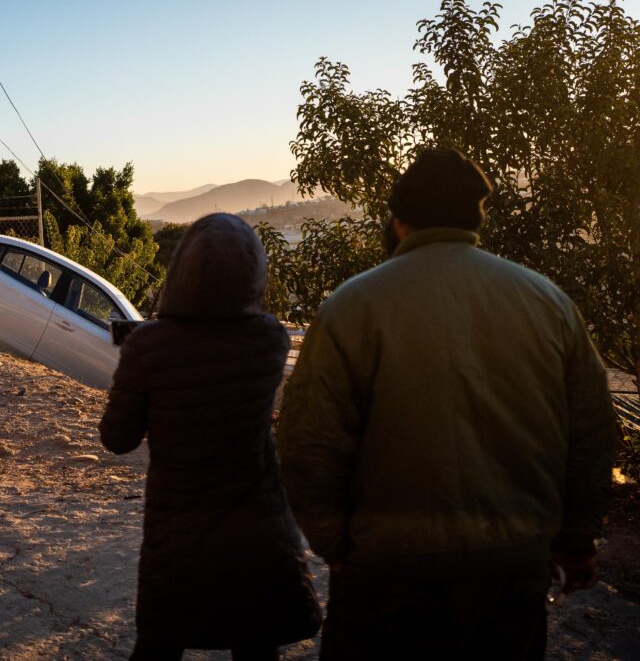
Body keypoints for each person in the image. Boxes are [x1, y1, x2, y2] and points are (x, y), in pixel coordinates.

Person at [276, 148, 618, 660]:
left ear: (397, 219)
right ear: (477, 215)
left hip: (386, 574)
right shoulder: (547, 301)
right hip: (510, 576)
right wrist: (577, 537)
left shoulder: (352, 306)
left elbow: (308, 443)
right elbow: (593, 430)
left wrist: (336, 546)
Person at [100, 213, 322, 661]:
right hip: (256, 528)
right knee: (257, 643)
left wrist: (139, 365)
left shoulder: (148, 345)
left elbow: (117, 438)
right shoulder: (271, 340)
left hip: (176, 530)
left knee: (160, 644)